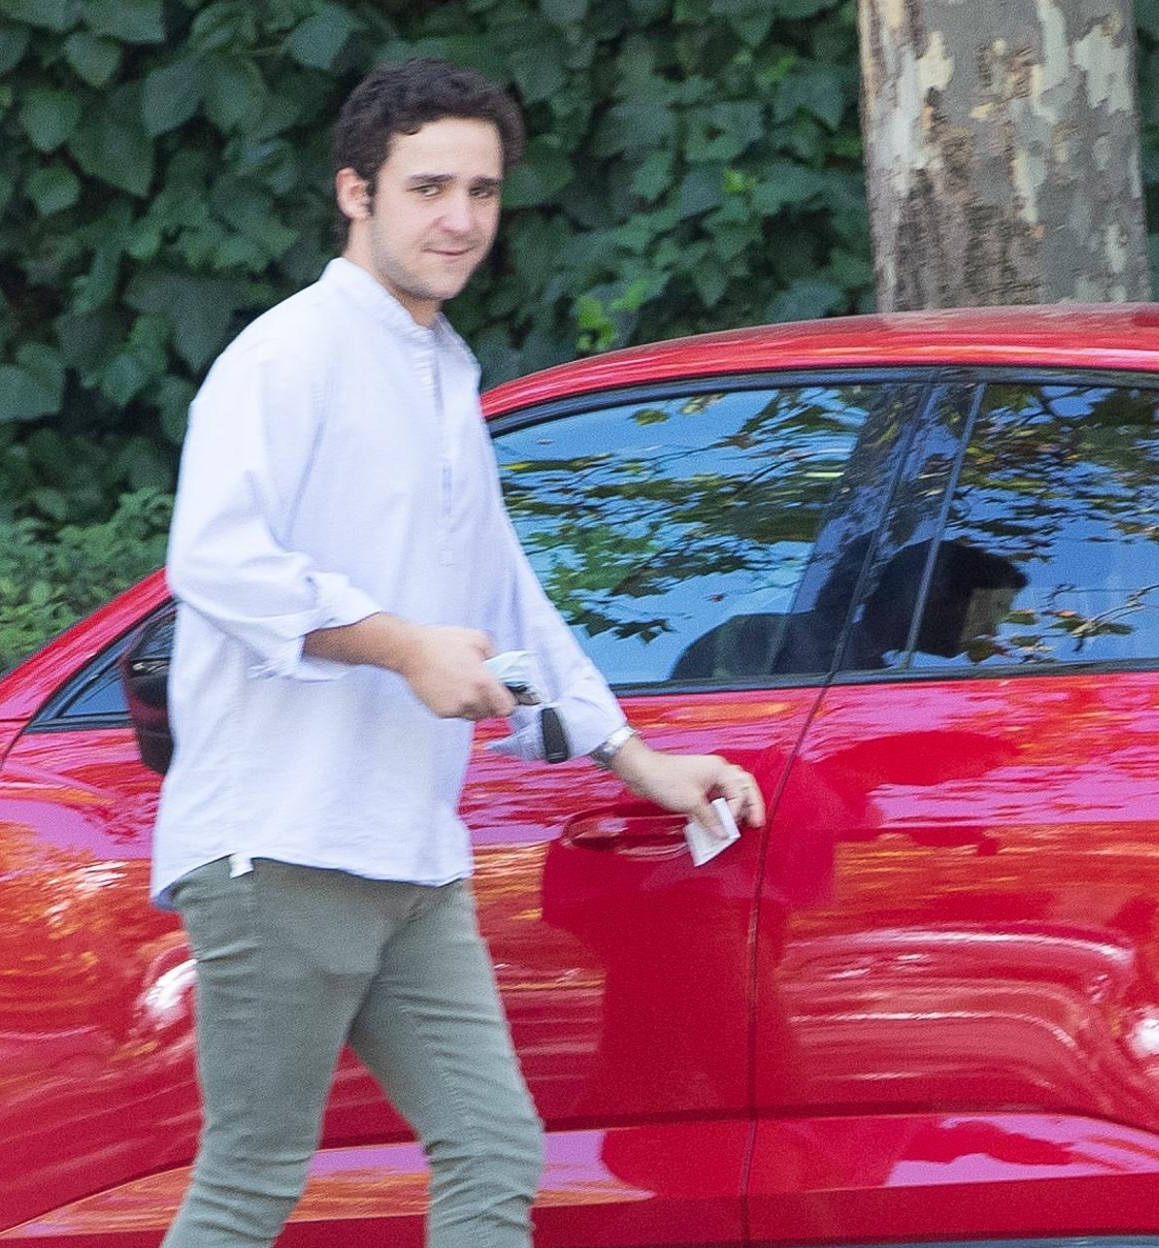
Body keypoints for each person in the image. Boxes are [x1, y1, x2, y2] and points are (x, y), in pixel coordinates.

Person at [152, 57, 766, 1248]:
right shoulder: (287, 355)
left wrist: (639, 762)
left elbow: (505, 600)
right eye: (429, 186)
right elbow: (216, 562)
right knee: (249, 1186)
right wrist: (396, 646)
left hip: (410, 857)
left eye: (482, 192)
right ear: (355, 192)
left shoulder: (444, 373)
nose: (461, 220)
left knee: (493, 1152)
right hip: (280, 843)